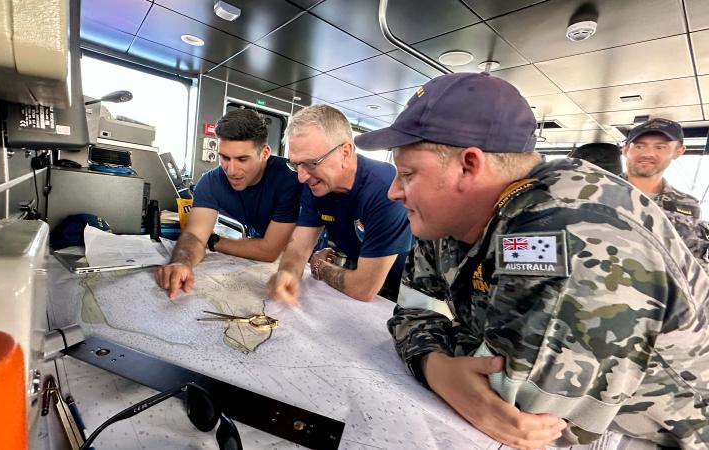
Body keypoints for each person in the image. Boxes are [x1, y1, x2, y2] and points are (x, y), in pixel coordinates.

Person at [355, 72, 709, 449]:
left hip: (671, 433)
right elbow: (412, 312)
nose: (393, 191)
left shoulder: (572, 232)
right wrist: (436, 368)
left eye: (408, 174)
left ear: (469, 166)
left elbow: (519, 413)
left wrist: (449, 365)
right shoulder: (446, 216)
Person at [267, 105, 413, 303]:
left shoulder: (384, 188)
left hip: (407, 286)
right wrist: (287, 272)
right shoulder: (316, 185)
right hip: (360, 269)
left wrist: (320, 266)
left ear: (345, 153)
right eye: (296, 164)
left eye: (311, 163)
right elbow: (298, 249)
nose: (301, 177)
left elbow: (363, 288)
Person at [156, 109, 302, 299]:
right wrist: (182, 261)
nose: (231, 170)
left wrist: (213, 241)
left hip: (303, 254)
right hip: (261, 240)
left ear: (265, 153)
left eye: (242, 159)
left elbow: (269, 251)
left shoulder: (290, 180)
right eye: (224, 158)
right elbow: (194, 235)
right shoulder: (210, 182)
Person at [622, 118, 709, 267]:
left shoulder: (688, 205)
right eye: (639, 146)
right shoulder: (594, 192)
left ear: (678, 151)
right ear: (625, 150)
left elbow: (693, 263)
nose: (648, 153)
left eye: (660, 147)